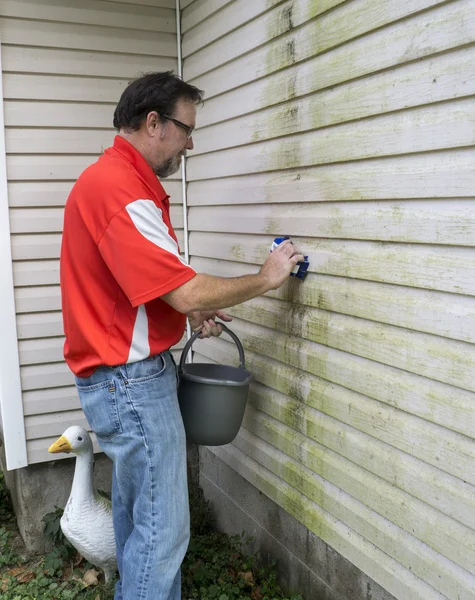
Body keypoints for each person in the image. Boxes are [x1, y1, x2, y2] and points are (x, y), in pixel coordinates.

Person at [60, 71, 304, 600]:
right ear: (154, 123)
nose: (191, 143)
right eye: (186, 130)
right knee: (162, 533)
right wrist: (266, 277)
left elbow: (135, 285)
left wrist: (183, 318)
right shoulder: (119, 191)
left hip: (116, 381)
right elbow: (185, 291)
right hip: (130, 385)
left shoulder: (114, 183)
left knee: (136, 520)